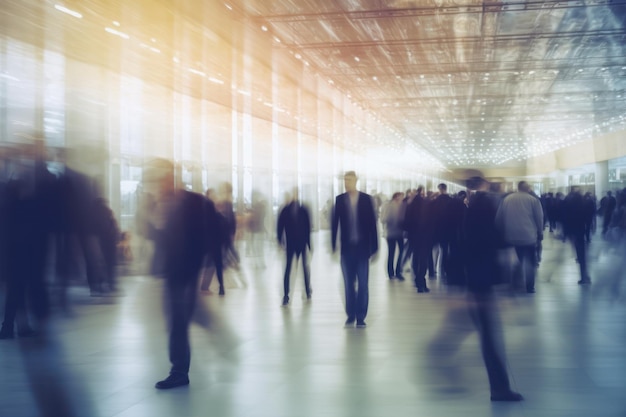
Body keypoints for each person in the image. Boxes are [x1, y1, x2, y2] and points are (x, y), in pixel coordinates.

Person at [143, 159, 218, 389]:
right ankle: (211, 327)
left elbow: (210, 230)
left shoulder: (194, 201)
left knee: (178, 319)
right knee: (178, 317)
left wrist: (202, 262)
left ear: (171, 177)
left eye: (161, 177)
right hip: (171, 269)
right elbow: (160, 237)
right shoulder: (158, 204)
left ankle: (179, 370)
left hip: (187, 268)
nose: (158, 183)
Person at [463, 175, 524, 401]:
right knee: (489, 335)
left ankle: (499, 387)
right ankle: (499, 388)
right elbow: (487, 240)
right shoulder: (483, 206)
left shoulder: (474, 207)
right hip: (481, 282)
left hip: (476, 280)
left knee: (487, 335)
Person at [331, 171, 378, 328]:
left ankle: (361, 316)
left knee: (363, 284)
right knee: (349, 284)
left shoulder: (366, 199)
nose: (347, 182)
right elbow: (334, 224)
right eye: (345, 180)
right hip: (347, 249)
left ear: (356, 181)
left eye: (349, 180)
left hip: (362, 249)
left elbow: (372, 224)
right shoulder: (339, 200)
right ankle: (350, 314)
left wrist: (375, 246)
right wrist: (333, 244)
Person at [495, 181, 544, 293]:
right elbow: (539, 218)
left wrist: (502, 231)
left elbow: (498, 218)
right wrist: (540, 232)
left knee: (516, 261)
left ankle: (515, 284)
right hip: (529, 236)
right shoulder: (533, 200)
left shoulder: (506, 199)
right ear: (528, 188)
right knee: (530, 262)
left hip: (510, 236)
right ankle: (530, 287)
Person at [276, 187, 312, 306]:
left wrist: (308, 243)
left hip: (297, 243)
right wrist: (279, 240)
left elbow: (307, 228)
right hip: (292, 244)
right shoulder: (288, 210)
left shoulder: (301, 209)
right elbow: (280, 227)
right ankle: (287, 295)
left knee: (302, 268)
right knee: (291, 269)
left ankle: (306, 291)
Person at [380, 191, 405, 280]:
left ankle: (398, 271)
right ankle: (391, 273)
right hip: (391, 232)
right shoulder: (389, 205)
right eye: (401, 196)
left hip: (399, 232)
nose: (402, 198)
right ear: (397, 197)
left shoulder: (402, 206)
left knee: (401, 251)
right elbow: (383, 219)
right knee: (392, 252)